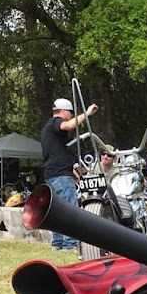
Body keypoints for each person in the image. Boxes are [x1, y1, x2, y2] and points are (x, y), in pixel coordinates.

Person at [41, 97, 98, 250]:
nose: (72, 116)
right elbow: (69, 125)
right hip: (59, 175)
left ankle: (58, 244)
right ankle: (70, 244)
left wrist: (71, 168)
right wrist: (86, 113)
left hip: (53, 173)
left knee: (56, 211)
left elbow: (58, 153)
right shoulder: (55, 123)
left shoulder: (49, 130)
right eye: (71, 113)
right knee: (69, 209)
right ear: (64, 111)